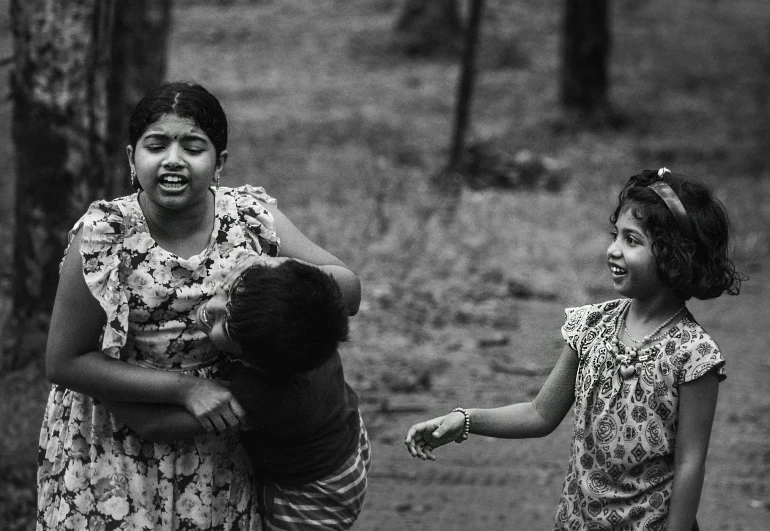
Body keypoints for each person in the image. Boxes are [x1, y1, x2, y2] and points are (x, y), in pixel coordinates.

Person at [38, 81, 361, 530]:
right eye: (156, 146)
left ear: (219, 163)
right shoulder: (103, 236)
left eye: (193, 146)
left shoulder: (249, 219)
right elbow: (65, 362)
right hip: (114, 448)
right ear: (132, 159)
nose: (173, 159)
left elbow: (348, 290)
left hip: (217, 455)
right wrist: (184, 389)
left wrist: (274, 270)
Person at [405, 168, 743, 531]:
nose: (613, 250)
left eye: (632, 241)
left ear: (673, 256)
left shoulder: (692, 354)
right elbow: (539, 414)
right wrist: (466, 419)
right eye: (615, 236)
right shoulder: (590, 327)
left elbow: (691, 462)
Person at [106, 256, 371, 530]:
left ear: (256, 361)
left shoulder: (264, 394)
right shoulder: (309, 317)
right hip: (346, 437)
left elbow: (155, 426)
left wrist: (91, 379)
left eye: (226, 325)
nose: (215, 305)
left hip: (313, 493)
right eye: (231, 291)